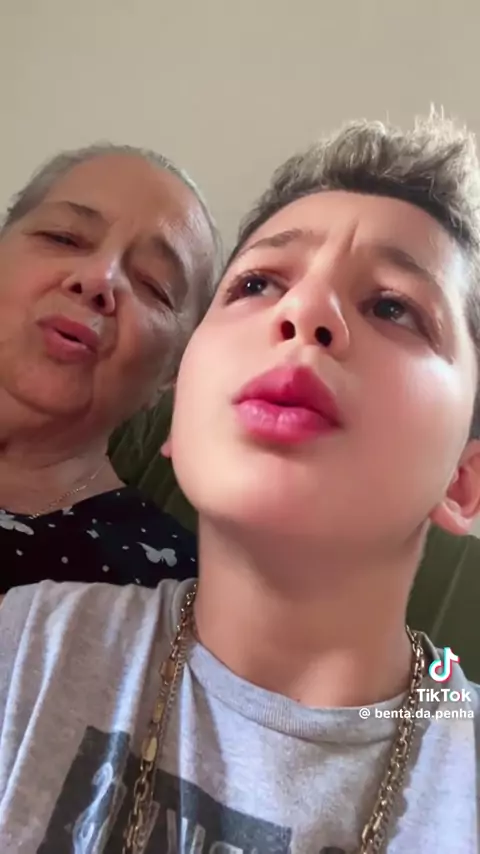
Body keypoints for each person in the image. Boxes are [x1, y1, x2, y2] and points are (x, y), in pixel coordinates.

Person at [1, 113, 480, 853]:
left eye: (393, 306)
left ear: (463, 480)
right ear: (179, 420)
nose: (305, 311)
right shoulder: (27, 641)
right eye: (257, 283)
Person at [0, 144, 220, 591]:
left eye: (153, 285)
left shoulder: (169, 593)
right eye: (63, 238)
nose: (99, 278)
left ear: (173, 372)